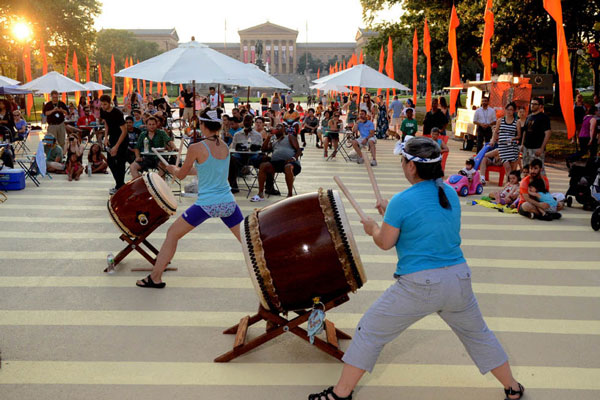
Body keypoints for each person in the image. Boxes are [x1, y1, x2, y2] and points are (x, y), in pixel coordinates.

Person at [309, 136, 524, 400]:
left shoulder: (403, 200)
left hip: (419, 286)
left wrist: (373, 228)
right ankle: (513, 387)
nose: (402, 164)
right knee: (478, 335)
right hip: (458, 279)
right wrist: (390, 212)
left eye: (403, 160)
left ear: (411, 166)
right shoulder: (449, 193)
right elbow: (428, 223)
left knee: (370, 330)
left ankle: (341, 394)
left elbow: (386, 242)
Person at [136, 108, 243, 288]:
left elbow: (180, 175)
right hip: (227, 202)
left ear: (202, 125)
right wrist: (177, 170)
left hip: (207, 204)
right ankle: (274, 269)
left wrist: (171, 169)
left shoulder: (196, 148)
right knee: (247, 242)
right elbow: (205, 169)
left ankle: (155, 277)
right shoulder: (224, 146)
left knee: (172, 234)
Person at [251, 123, 302, 201]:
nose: (277, 128)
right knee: (263, 166)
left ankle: (290, 195)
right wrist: (268, 138)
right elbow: (264, 149)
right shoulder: (274, 141)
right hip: (277, 163)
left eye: (280, 127)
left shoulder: (289, 137)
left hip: (291, 163)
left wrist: (293, 158)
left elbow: (299, 150)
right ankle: (260, 193)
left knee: (288, 167)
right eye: (276, 127)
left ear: (284, 130)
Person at [99, 94, 128, 195]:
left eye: (105, 104)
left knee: (120, 162)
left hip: (121, 138)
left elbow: (124, 131)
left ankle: (120, 185)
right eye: (102, 104)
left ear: (110, 103)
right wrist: (106, 137)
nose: (103, 106)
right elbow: (106, 123)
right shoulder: (103, 111)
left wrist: (117, 146)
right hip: (112, 137)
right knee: (110, 162)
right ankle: (120, 184)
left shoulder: (117, 113)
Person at [228, 114, 263, 193]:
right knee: (231, 159)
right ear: (243, 122)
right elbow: (233, 148)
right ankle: (233, 186)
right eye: (245, 120)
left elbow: (261, 149)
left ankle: (266, 187)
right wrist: (239, 147)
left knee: (264, 160)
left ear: (252, 122)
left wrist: (255, 148)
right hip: (240, 156)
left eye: (249, 120)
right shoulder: (237, 134)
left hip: (252, 157)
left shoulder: (257, 135)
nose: (247, 122)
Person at [490, 102, 521, 178]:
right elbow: (496, 132)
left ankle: (510, 183)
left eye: (511, 110)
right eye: (508, 109)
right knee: (507, 167)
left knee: (512, 169)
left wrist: (512, 138)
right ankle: (509, 184)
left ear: (514, 111)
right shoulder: (500, 120)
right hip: (502, 147)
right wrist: (493, 140)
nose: (509, 111)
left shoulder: (517, 122)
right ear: (505, 110)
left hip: (512, 147)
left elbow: (519, 136)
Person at [521, 98, 551, 167]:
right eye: (531, 104)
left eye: (535, 104)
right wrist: (522, 144)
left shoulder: (544, 117)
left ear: (540, 106)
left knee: (538, 171)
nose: (532, 106)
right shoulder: (529, 117)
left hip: (536, 148)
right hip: (526, 148)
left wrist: (542, 148)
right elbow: (525, 132)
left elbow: (548, 133)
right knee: (526, 169)